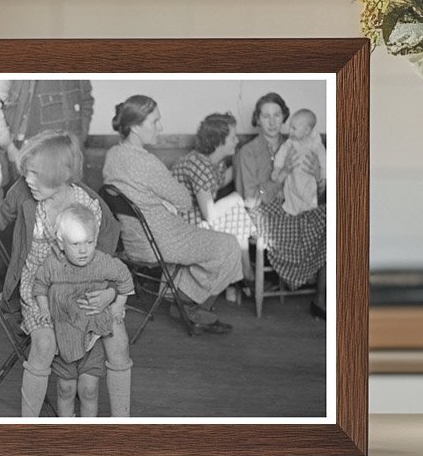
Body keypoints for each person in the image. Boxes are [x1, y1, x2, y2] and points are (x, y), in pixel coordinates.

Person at [0, 130, 123, 416]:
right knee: (44, 343)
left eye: (36, 174)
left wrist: (109, 292)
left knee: (117, 338)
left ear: (61, 174)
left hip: (80, 290)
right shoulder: (25, 191)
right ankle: (31, 431)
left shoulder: (88, 203)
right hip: (36, 290)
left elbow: (108, 254)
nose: (28, 179)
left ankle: (121, 424)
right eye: (26, 172)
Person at [101, 95, 242, 332]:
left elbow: (131, 193)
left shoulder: (113, 155)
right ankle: (190, 306)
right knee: (229, 245)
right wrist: (164, 202)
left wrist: (157, 200)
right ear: (135, 127)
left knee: (209, 242)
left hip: (136, 241)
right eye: (155, 122)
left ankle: (180, 298)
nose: (161, 127)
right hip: (163, 239)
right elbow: (185, 201)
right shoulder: (148, 163)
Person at [0, 79, 95, 307]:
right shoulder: (25, 187)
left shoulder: (83, 198)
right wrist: (8, 153)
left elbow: (85, 102)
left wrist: (75, 144)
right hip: (40, 293)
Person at [32, 204, 134, 417]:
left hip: (93, 337)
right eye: (76, 243)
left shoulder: (102, 262)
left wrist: (117, 305)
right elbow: (40, 285)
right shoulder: (53, 265)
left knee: (89, 389)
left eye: (89, 242)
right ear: (61, 242)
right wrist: (44, 309)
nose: (83, 250)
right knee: (65, 388)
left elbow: (125, 279)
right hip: (64, 336)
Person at [235, 92, 327, 318]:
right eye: (265, 116)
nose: (272, 121)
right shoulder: (248, 152)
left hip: (298, 208)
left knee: (334, 219)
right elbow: (251, 199)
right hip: (265, 211)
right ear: (257, 119)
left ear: (285, 117)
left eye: (277, 115)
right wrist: (280, 177)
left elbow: (316, 191)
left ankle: (321, 297)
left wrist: (318, 177)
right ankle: (298, 277)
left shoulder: (298, 144)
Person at [171, 112, 255, 286]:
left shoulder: (214, 163)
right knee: (236, 207)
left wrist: (243, 159)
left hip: (196, 219)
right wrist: (236, 197)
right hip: (183, 225)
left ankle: (242, 275)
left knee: (236, 214)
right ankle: (244, 275)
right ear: (219, 140)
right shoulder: (197, 163)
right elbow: (210, 214)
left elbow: (221, 180)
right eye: (233, 137)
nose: (237, 141)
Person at [272, 108, 326, 216]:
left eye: (294, 128)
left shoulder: (315, 145)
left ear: (307, 130)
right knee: (291, 199)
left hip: (308, 180)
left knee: (309, 202)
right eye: (290, 127)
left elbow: (324, 161)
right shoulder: (290, 143)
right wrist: (277, 168)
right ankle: (291, 213)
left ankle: (307, 214)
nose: (290, 131)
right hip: (292, 179)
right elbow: (280, 155)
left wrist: (322, 177)